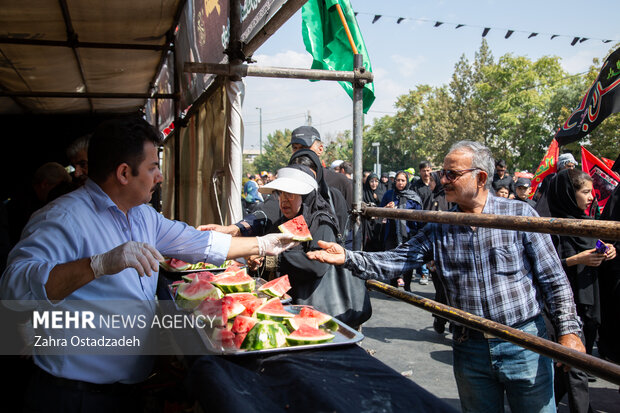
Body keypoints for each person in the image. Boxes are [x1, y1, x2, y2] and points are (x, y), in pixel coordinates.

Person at [0, 117, 297, 411]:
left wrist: (264, 243)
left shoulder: (143, 216)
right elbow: (14, 290)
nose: (160, 177)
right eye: (153, 168)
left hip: (127, 389)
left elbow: (200, 243)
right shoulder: (62, 218)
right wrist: (98, 264)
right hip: (73, 395)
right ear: (124, 173)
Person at [308, 140, 584, 413]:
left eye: (452, 174)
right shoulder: (441, 226)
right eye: (443, 173)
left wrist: (569, 331)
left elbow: (554, 279)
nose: (444, 179)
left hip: (524, 343)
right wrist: (347, 257)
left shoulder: (519, 215)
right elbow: (397, 260)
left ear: (481, 178)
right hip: (470, 347)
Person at [245, 165, 370, 327]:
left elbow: (317, 266)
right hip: (288, 307)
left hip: (316, 310)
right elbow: (271, 261)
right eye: (280, 194)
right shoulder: (281, 223)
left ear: (305, 196)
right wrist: (258, 261)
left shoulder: (322, 223)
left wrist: (275, 258)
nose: (283, 200)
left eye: (289, 194)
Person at [539, 168, 615, 412]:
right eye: (585, 192)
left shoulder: (588, 223)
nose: (591, 197)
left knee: (568, 370)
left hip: (589, 302)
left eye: (591, 191)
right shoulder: (550, 226)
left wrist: (610, 250)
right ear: (568, 194)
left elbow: (598, 249)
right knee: (576, 368)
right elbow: (542, 270)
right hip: (562, 307)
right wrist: (575, 260)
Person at [288, 126, 352, 208]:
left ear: (320, 149)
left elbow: (349, 218)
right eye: (295, 148)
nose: (300, 152)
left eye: (305, 147)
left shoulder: (340, 182)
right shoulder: (288, 181)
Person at [380, 171, 423, 291]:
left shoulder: (413, 197)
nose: (400, 183)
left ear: (407, 182)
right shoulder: (389, 194)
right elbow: (379, 210)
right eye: (398, 180)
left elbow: (420, 215)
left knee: (408, 262)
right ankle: (392, 287)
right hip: (391, 233)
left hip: (408, 234)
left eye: (403, 180)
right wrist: (387, 209)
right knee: (391, 260)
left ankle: (407, 287)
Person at [361, 173, 384, 251]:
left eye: (376, 181)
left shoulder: (381, 193)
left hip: (378, 223)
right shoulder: (364, 193)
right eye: (372, 181)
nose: (374, 184)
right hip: (366, 223)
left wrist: (377, 198)